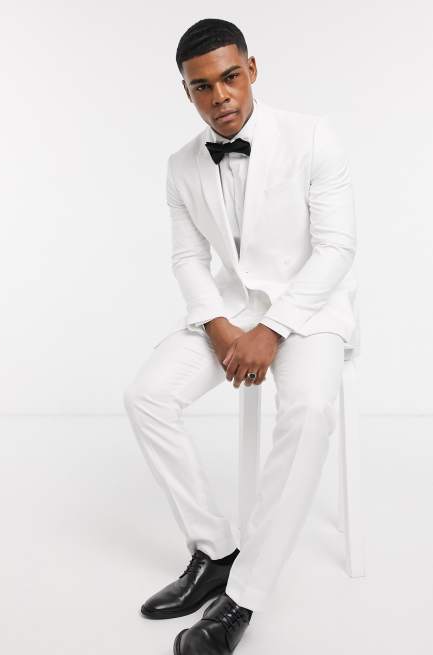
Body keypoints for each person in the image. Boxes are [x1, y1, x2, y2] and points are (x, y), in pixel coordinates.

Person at [123, 17, 359, 655]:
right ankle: (214, 551)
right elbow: (187, 259)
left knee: (309, 411)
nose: (220, 96)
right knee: (147, 397)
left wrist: (274, 329)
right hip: (227, 310)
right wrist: (220, 324)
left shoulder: (314, 137)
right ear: (187, 92)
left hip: (308, 310)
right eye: (202, 86)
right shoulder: (180, 165)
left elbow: (336, 249)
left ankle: (243, 596)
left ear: (251, 69)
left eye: (230, 77)